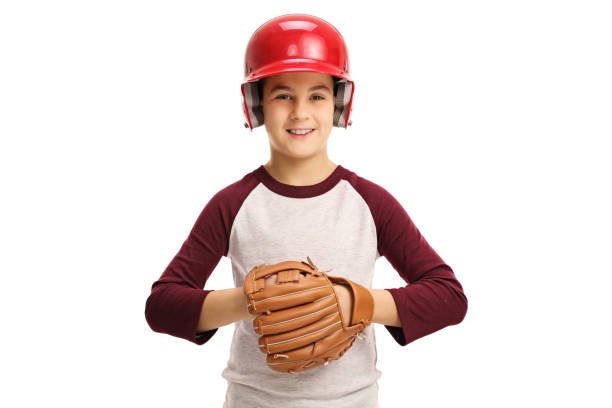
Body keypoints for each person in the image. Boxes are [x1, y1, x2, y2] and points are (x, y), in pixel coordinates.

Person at [144, 13, 468, 408]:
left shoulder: (370, 202)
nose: (300, 112)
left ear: (339, 103)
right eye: (283, 95)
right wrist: (252, 302)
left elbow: (449, 298)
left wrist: (353, 302)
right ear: (257, 104)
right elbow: (161, 306)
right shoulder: (231, 204)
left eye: (317, 95)